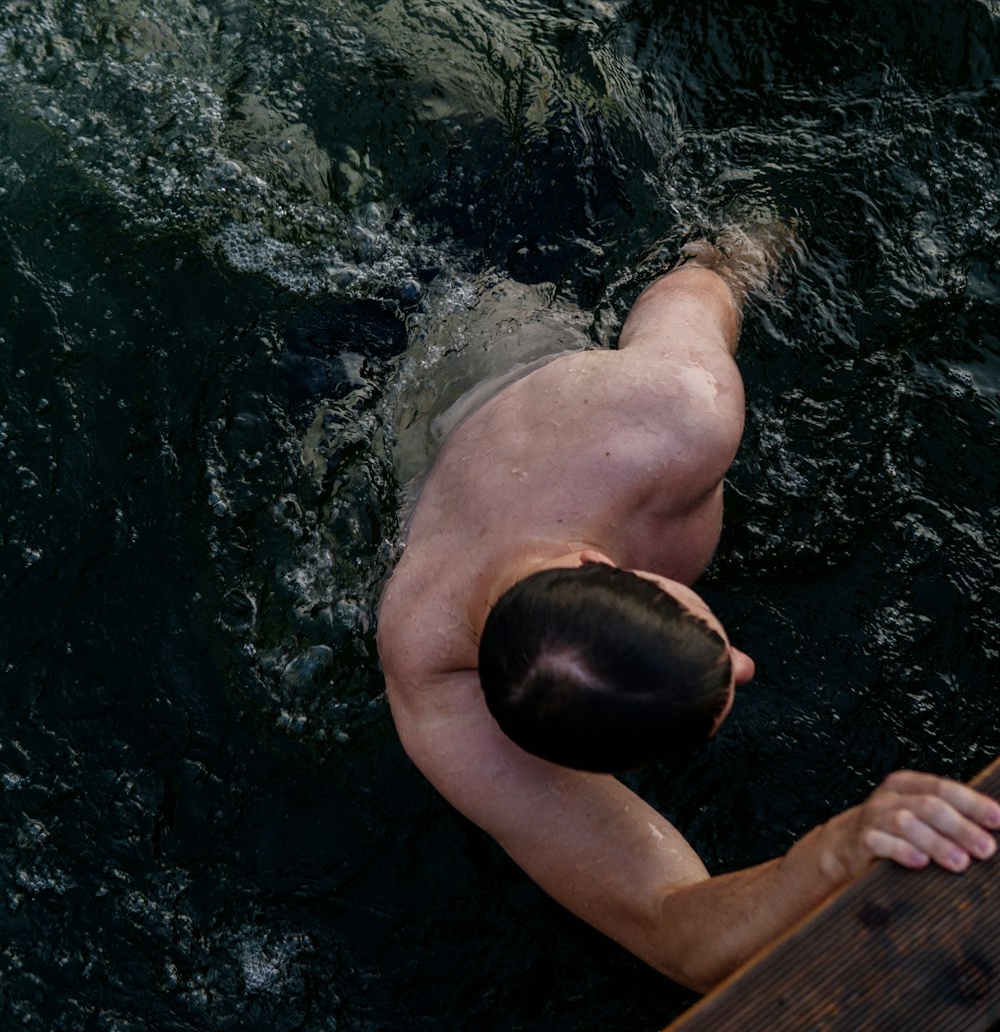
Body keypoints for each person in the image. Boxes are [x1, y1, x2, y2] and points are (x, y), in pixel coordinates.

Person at [376, 235, 1000, 993]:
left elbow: (714, 265)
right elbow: (671, 928)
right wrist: (830, 854)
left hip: (527, 269)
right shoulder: (435, 678)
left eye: (716, 650)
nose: (744, 662)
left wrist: (762, 235)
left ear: (600, 566)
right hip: (383, 378)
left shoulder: (674, 413)